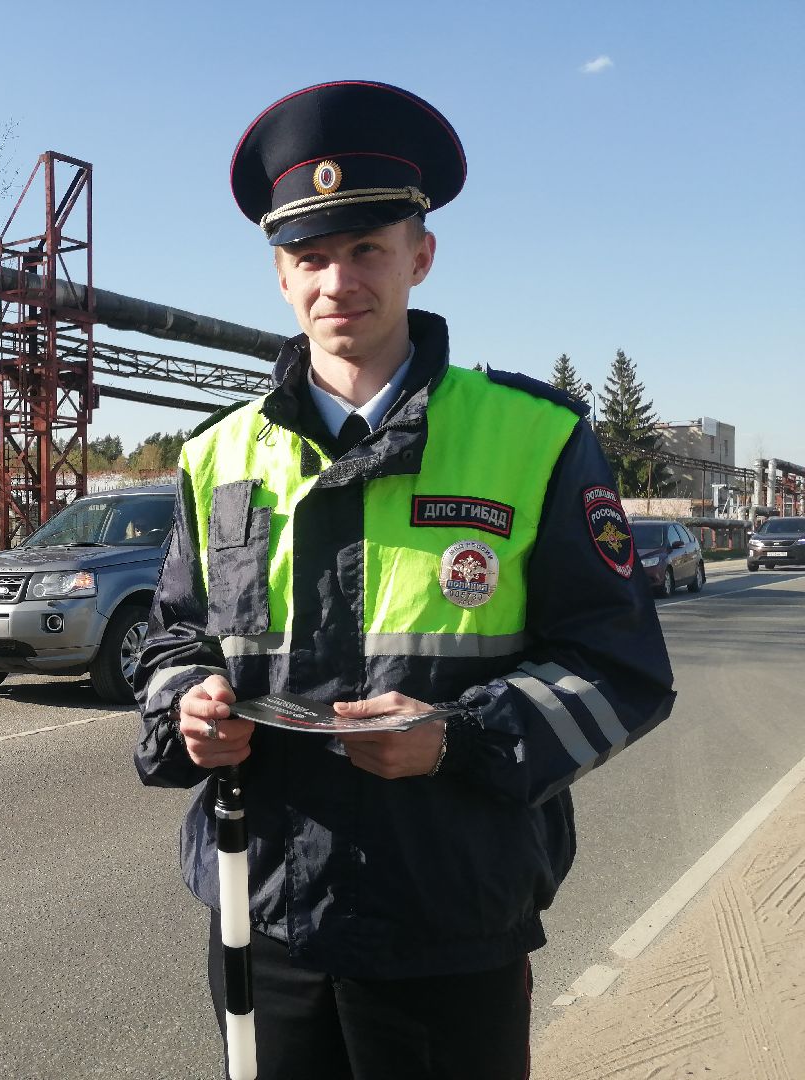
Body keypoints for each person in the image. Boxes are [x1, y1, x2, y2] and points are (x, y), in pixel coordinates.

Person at [132, 81, 675, 1079]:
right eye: (310, 257)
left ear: (420, 255)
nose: (339, 281)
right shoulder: (219, 456)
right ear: (281, 276)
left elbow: (621, 668)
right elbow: (169, 639)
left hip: (449, 921)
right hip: (267, 914)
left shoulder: (536, 436)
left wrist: (460, 739)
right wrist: (189, 707)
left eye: (367, 249)